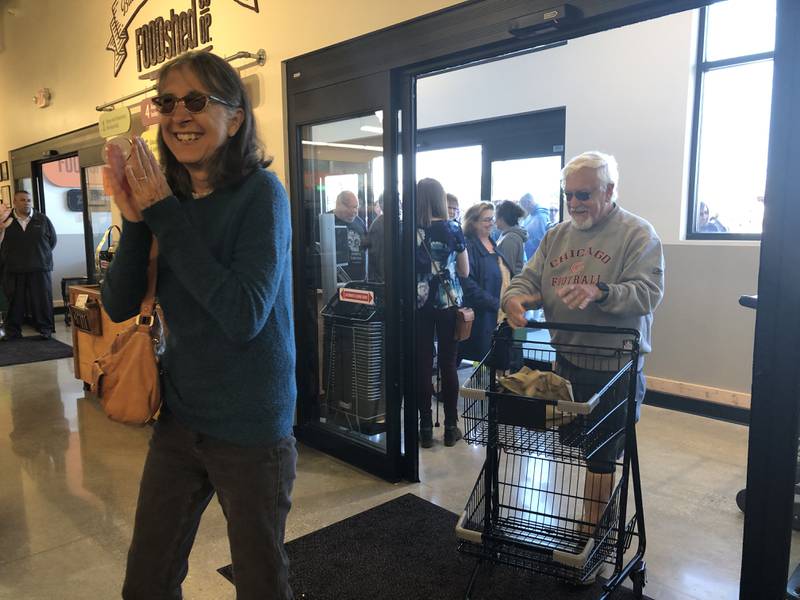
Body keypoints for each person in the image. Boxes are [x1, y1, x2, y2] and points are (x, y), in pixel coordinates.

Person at [101, 51, 297, 600]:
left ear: (234, 118)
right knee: (146, 579)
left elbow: (243, 315)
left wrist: (160, 211)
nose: (179, 115)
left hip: (252, 429)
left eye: (195, 101)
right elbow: (117, 303)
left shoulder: (262, 194)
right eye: (167, 103)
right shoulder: (167, 198)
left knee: (260, 582)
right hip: (181, 420)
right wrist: (135, 218)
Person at [502, 151, 664, 579]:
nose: (575, 202)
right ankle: (591, 528)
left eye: (585, 194)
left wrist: (601, 293)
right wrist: (513, 298)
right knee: (577, 453)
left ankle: (592, 542)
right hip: (567, 362)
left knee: (600, 458)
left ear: (609, 191)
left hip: (614, 366)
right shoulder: (556, 236)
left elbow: (647, 292)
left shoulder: (638, 234)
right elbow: (528, 279)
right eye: (569, 194)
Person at [415, 178, 469, 448]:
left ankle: (424, 428)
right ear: (440, 198)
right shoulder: (453, 229)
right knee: (448, 364)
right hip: (447, 304)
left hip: (419, 304)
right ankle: (450, 427)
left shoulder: (408, 230)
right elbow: (464, 271)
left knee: (423, 364)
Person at [459, 201, 512, 363]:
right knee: (481, 371)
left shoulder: (493, 244)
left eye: (492, 219)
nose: (491, 223)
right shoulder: (468, 246)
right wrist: (496, 303)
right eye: (486, 220)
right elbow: (468, 285)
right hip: (482, 320)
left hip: (500, 317)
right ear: (473, 222)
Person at [0, 190, 58, 341]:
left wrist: (40, 255)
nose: (26, 202)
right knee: (14, 301)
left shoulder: (42, 219)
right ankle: (12, 332)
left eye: (28, 200)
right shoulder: (6, 220)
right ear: (14, 202)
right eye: (22, 200)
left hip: (39, 267)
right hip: (13, 268)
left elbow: (52, 241)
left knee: (42, 300)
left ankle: (45, 329)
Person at [333, 190, 367, 280]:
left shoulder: (359, 222)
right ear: (339, 205)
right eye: (352, 207)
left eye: (356, 207)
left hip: (359, 280)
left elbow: (367, 249)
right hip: (336, 282)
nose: (355, 212)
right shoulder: (326, 222)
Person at [495, 200, 528, 276]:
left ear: (502, 218)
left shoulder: (511, 239)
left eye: (496, 217)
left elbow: (507, 271)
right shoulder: (506, 235)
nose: (494, 221)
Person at [519, 192, 551, 259]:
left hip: (537, 259)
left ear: (528, 202)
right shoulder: (529, 217)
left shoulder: (541, 217)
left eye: (523, 205)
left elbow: (542, 240)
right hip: (529, 257)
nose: (524, 209)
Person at [367, 193, 384, 282]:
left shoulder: (394, 222)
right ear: (382, 205)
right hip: (383, 279)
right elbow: (376, 255)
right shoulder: (378, 225)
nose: (399, 204)